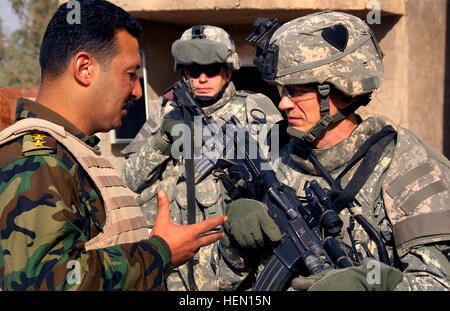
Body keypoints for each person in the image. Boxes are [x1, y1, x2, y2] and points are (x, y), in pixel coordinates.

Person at [0, 0, 225, 291]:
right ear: (85, 68)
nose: (137, 90)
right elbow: (49, 282)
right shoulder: (38, 160)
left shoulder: (70, 153)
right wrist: (160, 253)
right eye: (130, 74)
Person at [219, 11, 450, 290]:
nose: (283, 104)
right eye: (282, 91)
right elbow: (217, 285)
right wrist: (233, 245)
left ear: (342, 91)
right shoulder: (271, 155)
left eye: (296, 91)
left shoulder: (409, 167)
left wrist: (371, 286)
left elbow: (439, 281)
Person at [122, 25, 282, 290]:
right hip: (170, 269)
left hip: (229, 269)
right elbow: (128, 182)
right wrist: (161, 142)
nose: (202, 78)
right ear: (184, 72)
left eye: (212, 70)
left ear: (228, 70)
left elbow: (276, 180)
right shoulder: (167, 110)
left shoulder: (255, 108)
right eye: (194, 70)